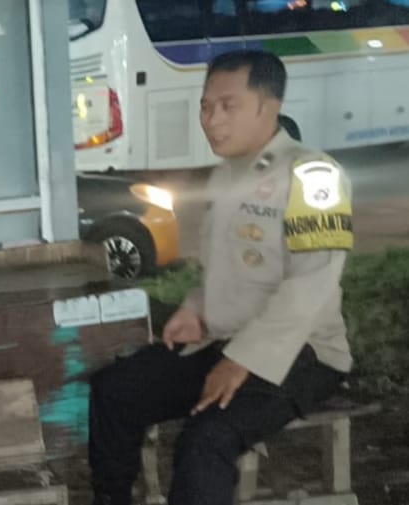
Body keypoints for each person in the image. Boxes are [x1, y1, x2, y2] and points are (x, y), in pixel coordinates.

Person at [88, 50, 354, 505]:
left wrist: (241, 361)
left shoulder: (313, 176)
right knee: (115, 392)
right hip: (225, 339)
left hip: (302, 353)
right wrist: (195, 311)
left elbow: (310, 286)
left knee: (206, 440)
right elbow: (224, 267)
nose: (211, 120)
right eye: (206, 106)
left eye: (228, 106)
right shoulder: (228, 174)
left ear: (268, 106)